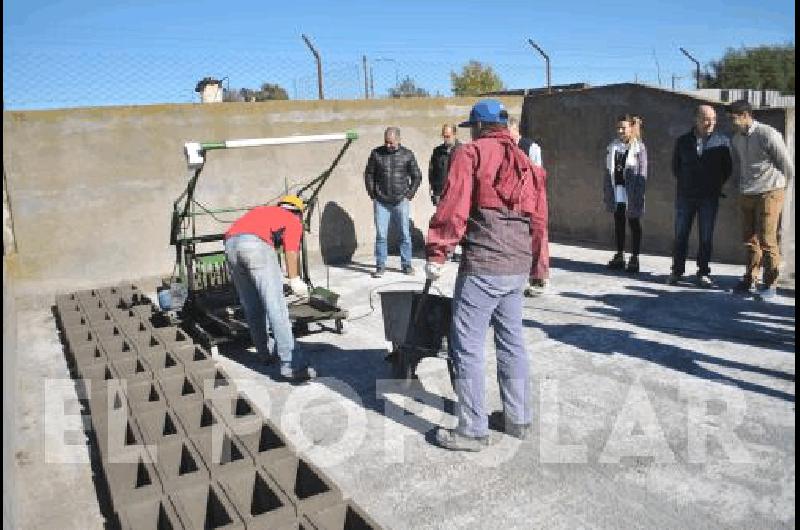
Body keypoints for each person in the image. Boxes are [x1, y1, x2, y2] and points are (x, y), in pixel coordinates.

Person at [424, 99, 547, 451]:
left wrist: (437, 251)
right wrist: (539, 266)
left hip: (484, 267)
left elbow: (454, 204)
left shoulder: (471, 154)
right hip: (517, 267)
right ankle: (517, 418)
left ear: (478, 127)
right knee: (512, 341)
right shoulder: (525, 160)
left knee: (467, 347)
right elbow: (539, 218)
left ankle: (473, 430)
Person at [223, 195, 316, 381]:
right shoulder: (292, 219)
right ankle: (292, 365)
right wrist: (295, 279)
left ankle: (264, 354)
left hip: (230, 246)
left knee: (252, 307)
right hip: (256, 246)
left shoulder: (261, 211)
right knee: (276, 307)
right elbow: (291, 250)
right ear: (297, 212)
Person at [727, 99, 794, 301]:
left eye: (734, 119)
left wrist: (781, 192)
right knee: (749, 239)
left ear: (746, 116)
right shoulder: (736, 139)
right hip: (747, 192)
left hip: (770, 191)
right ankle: (750, 279)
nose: (732, 123)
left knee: (767, 238)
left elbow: (787, 166)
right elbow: (740, 166)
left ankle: (770, 284)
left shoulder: (768, 134)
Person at [668, 105, 732, 288]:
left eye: (713, 119)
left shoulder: (722, 142)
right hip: (685, 196)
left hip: (709, 197)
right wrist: (688, 183)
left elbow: (727, 169)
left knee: (706, 237)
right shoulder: (682, 141)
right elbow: (676, 167)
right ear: (696, 119)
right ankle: (676, 271)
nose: (710, 122)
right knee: (681, 235)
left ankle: (703, 272)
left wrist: (713, 185)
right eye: (706, 118)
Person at [364, 127, 423, 278]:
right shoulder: (376, 154)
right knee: (381, 235)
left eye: (391, 142)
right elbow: (369, 174)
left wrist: (409, 195)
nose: (388, 145)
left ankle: (406, 265)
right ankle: (380, 266)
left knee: (404, 234)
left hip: (400, 201)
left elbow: (417, 176)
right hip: (381, 201)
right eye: (386, 142)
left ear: (398, 140)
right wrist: (373, 194)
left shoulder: (407, 154)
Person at [509, 116, 548, 296]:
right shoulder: (504, 148)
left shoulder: (531, 147)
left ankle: (538, 278)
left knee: (538, 233)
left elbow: (538, 175)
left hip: (533, 195)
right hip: (512, 197)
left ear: (515, 129)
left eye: (507, 130)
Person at [603, 114, 648, 273]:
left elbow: (643, 173)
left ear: (631, 128)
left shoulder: (639, 148)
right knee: (619, 222)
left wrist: (638, 196)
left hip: (632, 193)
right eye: (618, 128)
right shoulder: (612, 146)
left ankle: (634, 257)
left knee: (634, 224)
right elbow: (608, 171)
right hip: (617, 192)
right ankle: (620, 255)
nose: (620, 130)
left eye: (624, 127)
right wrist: (608, 191)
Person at [428, 124, 461, 206]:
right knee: (440, 218)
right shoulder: (437, 151)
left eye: (448, 136)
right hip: (440, 193)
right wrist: (432, 191)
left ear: (454, 135)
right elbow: (432, 172)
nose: (445, 139)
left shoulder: (462, 150)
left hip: (457, 194)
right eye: (444, 136)